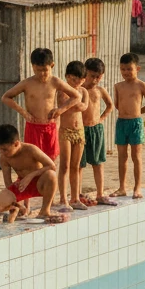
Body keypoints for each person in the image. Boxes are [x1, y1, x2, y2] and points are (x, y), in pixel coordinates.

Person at [1, 47, 83, 162]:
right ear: (32, 66)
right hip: (33, 126)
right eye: (38, 70)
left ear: (52, 65)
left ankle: (49, 180)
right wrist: (24, 113)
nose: (42, 73)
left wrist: (60, 110)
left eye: (45, 70)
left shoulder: (55, 81)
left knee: (50, 160)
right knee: (33, 160)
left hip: (50, 126)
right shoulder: (27, 83)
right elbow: (6, 97)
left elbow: (77, 96)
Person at [0, 123, 63, 223]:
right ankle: (18, 210)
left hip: (40, 184)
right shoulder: (3, 157)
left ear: (16, 144)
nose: (2, 152)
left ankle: (44, 211)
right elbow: (8, 183)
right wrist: (16, 204)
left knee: (51, 175)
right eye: (0, 149)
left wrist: (30, 176)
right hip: (22, 186)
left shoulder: (31, 149)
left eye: (5, 149)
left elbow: (52, 166)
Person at [112, 52, 145, 200]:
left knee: (136, 156)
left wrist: (137, 112)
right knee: (122, 157)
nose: (126, 73)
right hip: (121, 123)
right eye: (123, 69)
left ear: (137, 68)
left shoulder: (142, 86)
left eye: (129, 69)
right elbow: (117, 104)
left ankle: (137, 187)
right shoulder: (118, 86)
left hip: (135, 123)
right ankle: (122, 187)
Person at [80, 57, 114, 200]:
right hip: (81, 130)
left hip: (95, 129)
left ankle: (100, 193)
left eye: (98, 77)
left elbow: (110, 105)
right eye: (92, 76)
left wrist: (101, 119)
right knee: (78, 165)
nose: (94, 80)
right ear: (85, 73)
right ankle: (77, 193)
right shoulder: (79, 90)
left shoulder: (100, 90)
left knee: (98, 163)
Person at [57, 61, 88, 210]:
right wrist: (74, 103)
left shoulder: (84, 91)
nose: (77, 83)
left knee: (76, 166)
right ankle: (63, 199)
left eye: (81, 80)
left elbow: (83, 106)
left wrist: (73, 103)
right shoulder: (62, 90)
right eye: (74, 80)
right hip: (65, 131)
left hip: (79, 131)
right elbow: (66, 105)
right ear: (67, 77)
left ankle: (75, 197)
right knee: (64, 166)